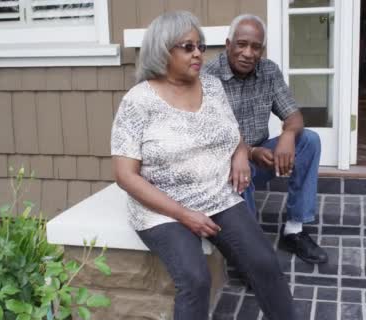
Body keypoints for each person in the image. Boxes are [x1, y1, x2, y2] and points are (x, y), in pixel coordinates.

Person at [111, 11, 296, 320]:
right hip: (163, 209)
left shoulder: (211, 86)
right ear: (163, 50)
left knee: (264, 262)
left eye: (200, 45)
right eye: (187, 46)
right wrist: (185, 215)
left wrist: (239, 154)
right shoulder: (138, 102)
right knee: (195, 280)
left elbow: (231, 131)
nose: (198, 53)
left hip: (216, 195)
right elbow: (125, 176)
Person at [204, 14, 328, 265]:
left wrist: (288, 134)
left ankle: (294, 231)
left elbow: (293, 114)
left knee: (309, 140)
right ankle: (250, 252)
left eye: (256, 47)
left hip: (258, 157)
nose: (248, 53)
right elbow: (212, 137)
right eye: (241, 44)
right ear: (228, 44)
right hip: (223, 164)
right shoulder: (208, 77)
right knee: (240, 169)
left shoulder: (268, 71)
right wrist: (249, 153)